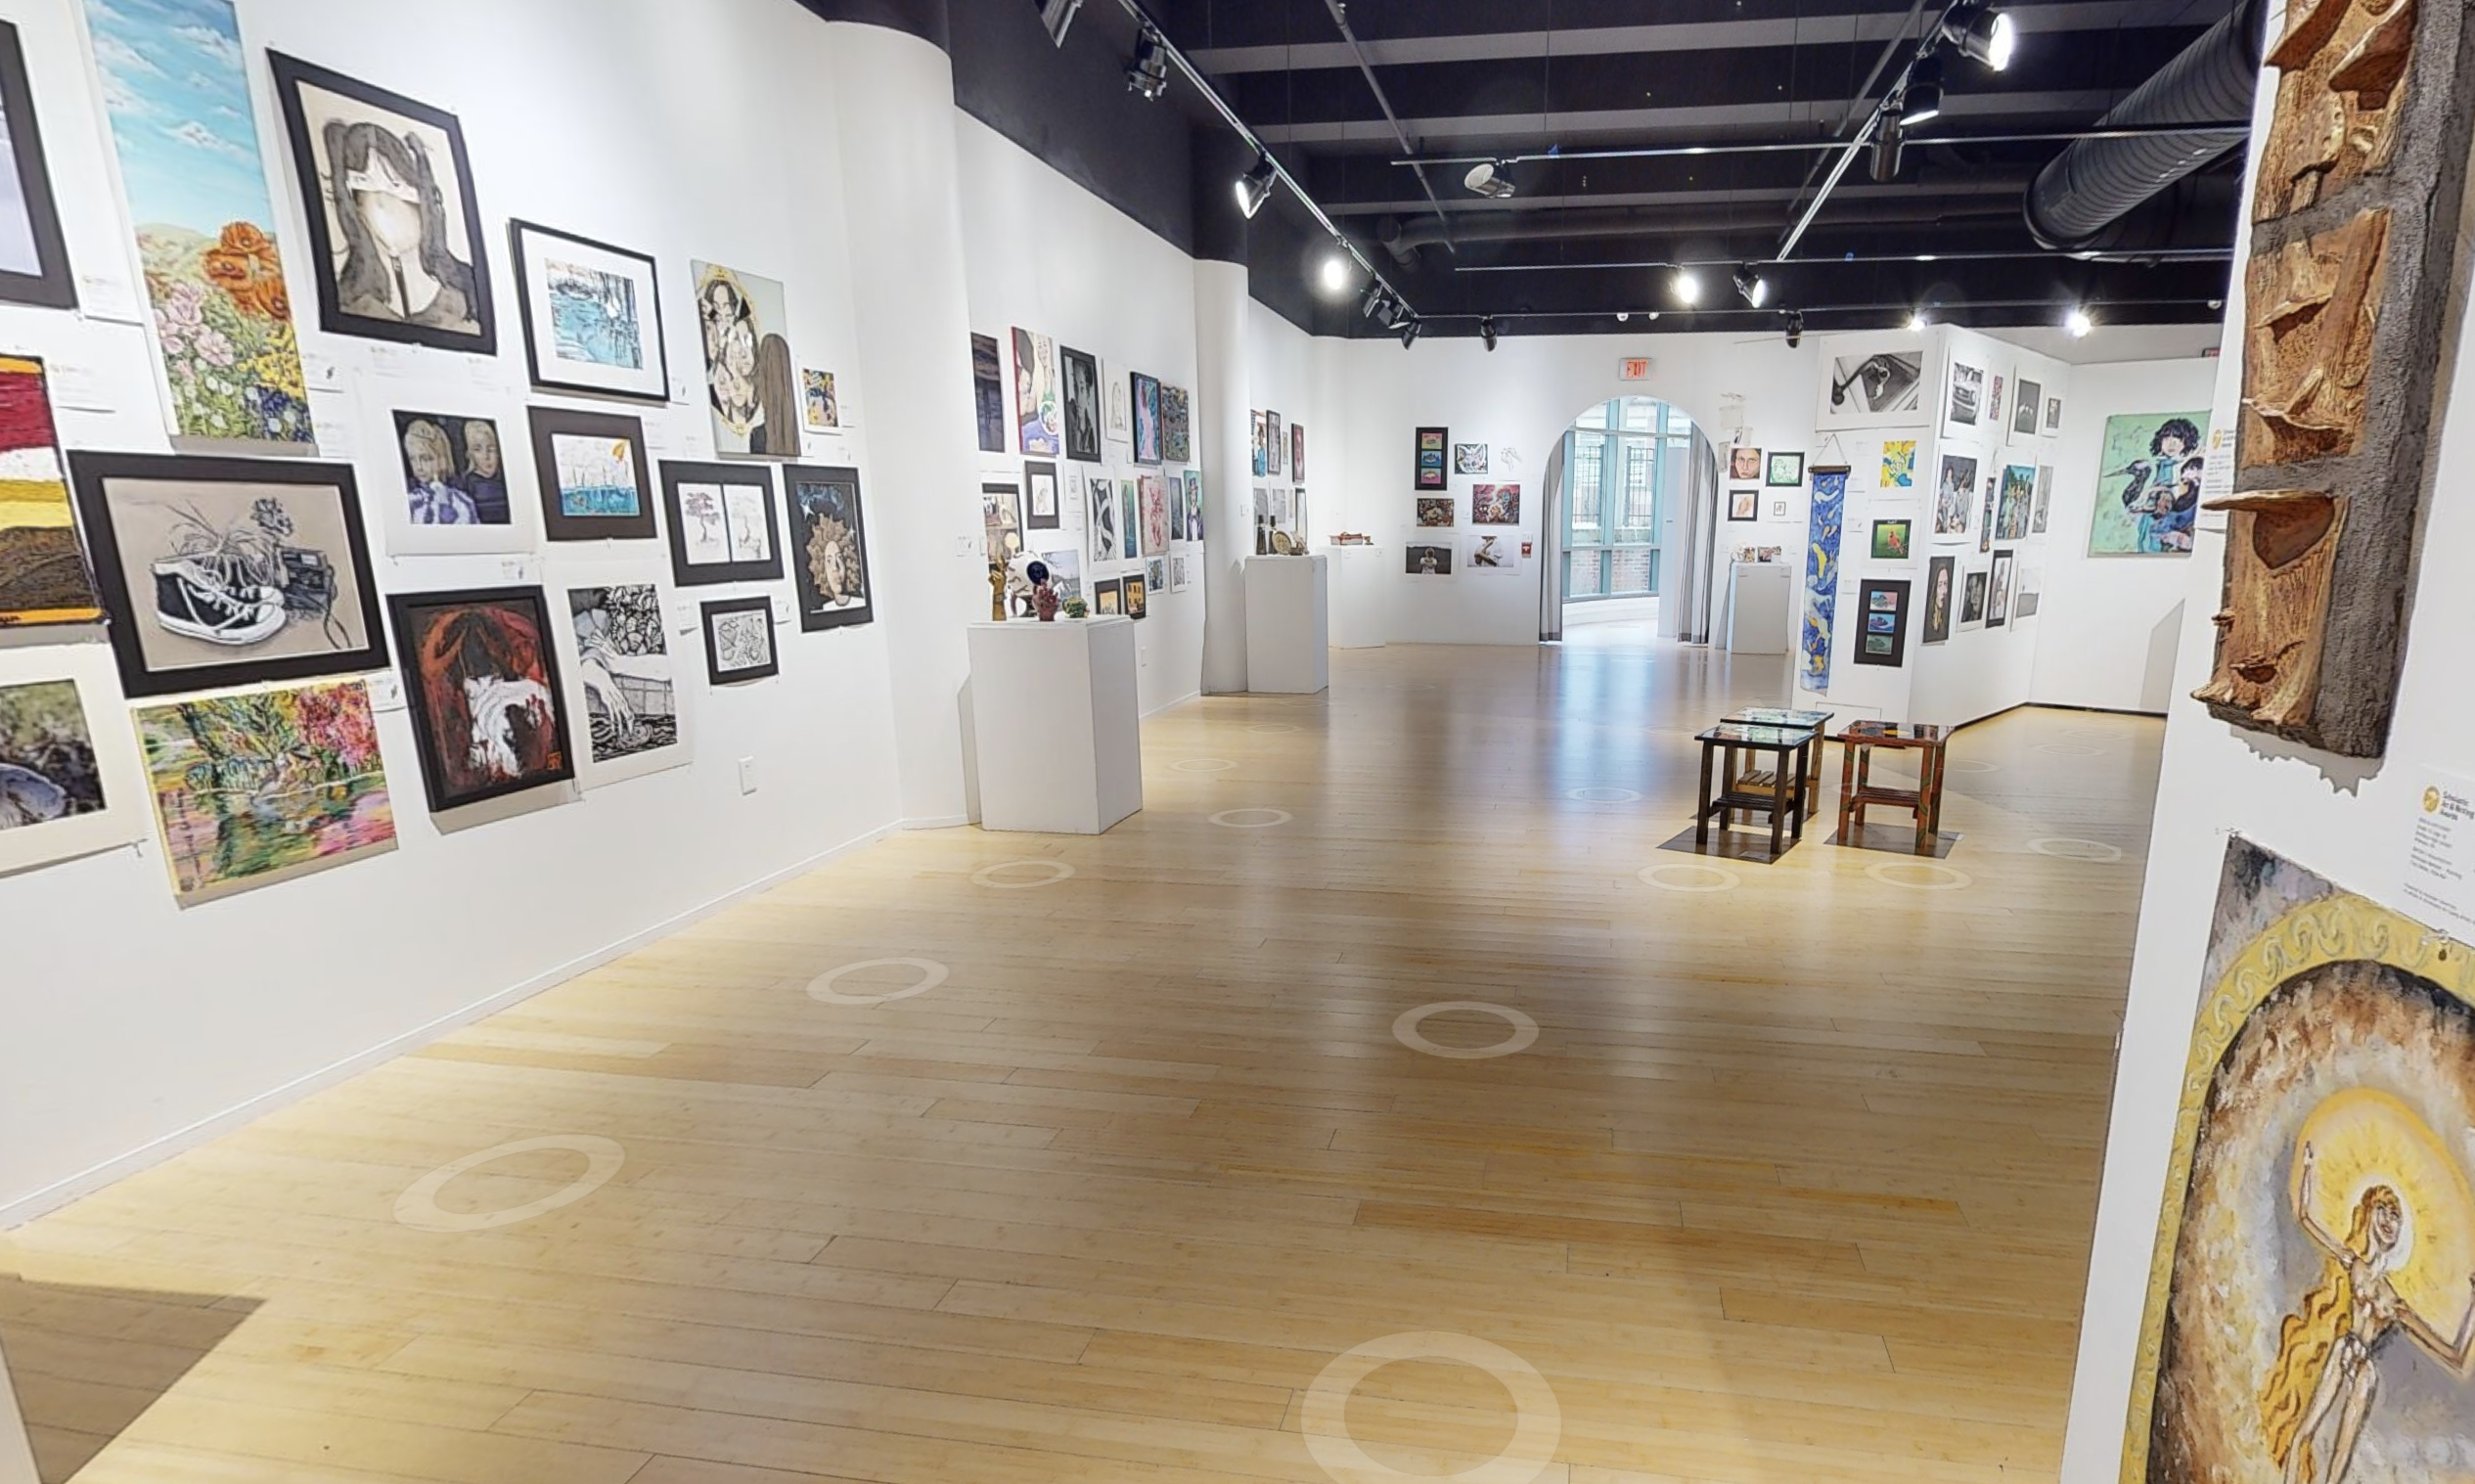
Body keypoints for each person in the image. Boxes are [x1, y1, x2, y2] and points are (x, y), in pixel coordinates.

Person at [2261, 1146, 2475, 1484]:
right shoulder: (2355, 1265)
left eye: (2395, 1216)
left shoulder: (2395, 1303)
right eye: (2383, 1210)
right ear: (2368, 1213)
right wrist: (2308, 1169)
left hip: (2364, 1370)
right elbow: (2304, 1216)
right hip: (2343, 1349)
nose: (2389, 1220)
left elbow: (2456, 1357)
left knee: (2340, 1460)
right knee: (2303, 1433)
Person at [324, 120, 478, 332]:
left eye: (395, 185)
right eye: (363, 183)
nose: (381, 202)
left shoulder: (465, 288)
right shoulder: (348, 297)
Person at [2116, 417, 2202, 553]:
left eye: (2177, 439)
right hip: (2150, 519)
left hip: (2171, 520)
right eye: (2167, 438)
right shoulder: (2159, 465)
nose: (2171, 443)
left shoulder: (2182, 467)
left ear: (2186, 442)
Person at [401, 418, 475, 524]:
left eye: (426, 459)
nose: (419, 467)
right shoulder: (410, 501)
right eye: (412, 459)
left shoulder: (463, 501)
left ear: (442, 459)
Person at [457, 420, 508, 524]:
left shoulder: (506, 481)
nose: (486, 456)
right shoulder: (466, 483)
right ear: (470, 454)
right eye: (477, 450)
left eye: (491, 449)